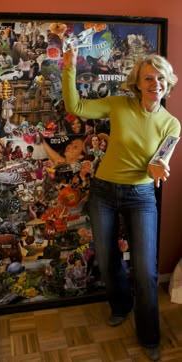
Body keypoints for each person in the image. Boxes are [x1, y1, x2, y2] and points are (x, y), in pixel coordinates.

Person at [62, 44, 180, 361]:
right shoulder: (119, 105)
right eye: (148, 78)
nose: (154, 83)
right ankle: (120, 305)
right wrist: (69, 67)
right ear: (138, 83)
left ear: (168, 83)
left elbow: (159, 163)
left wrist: (158, 168)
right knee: (106, 256)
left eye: (160, 78)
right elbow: (75, 106)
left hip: (140, 196)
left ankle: (150, 336)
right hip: (103, 192)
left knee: (145, 270)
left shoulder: (171, 124)